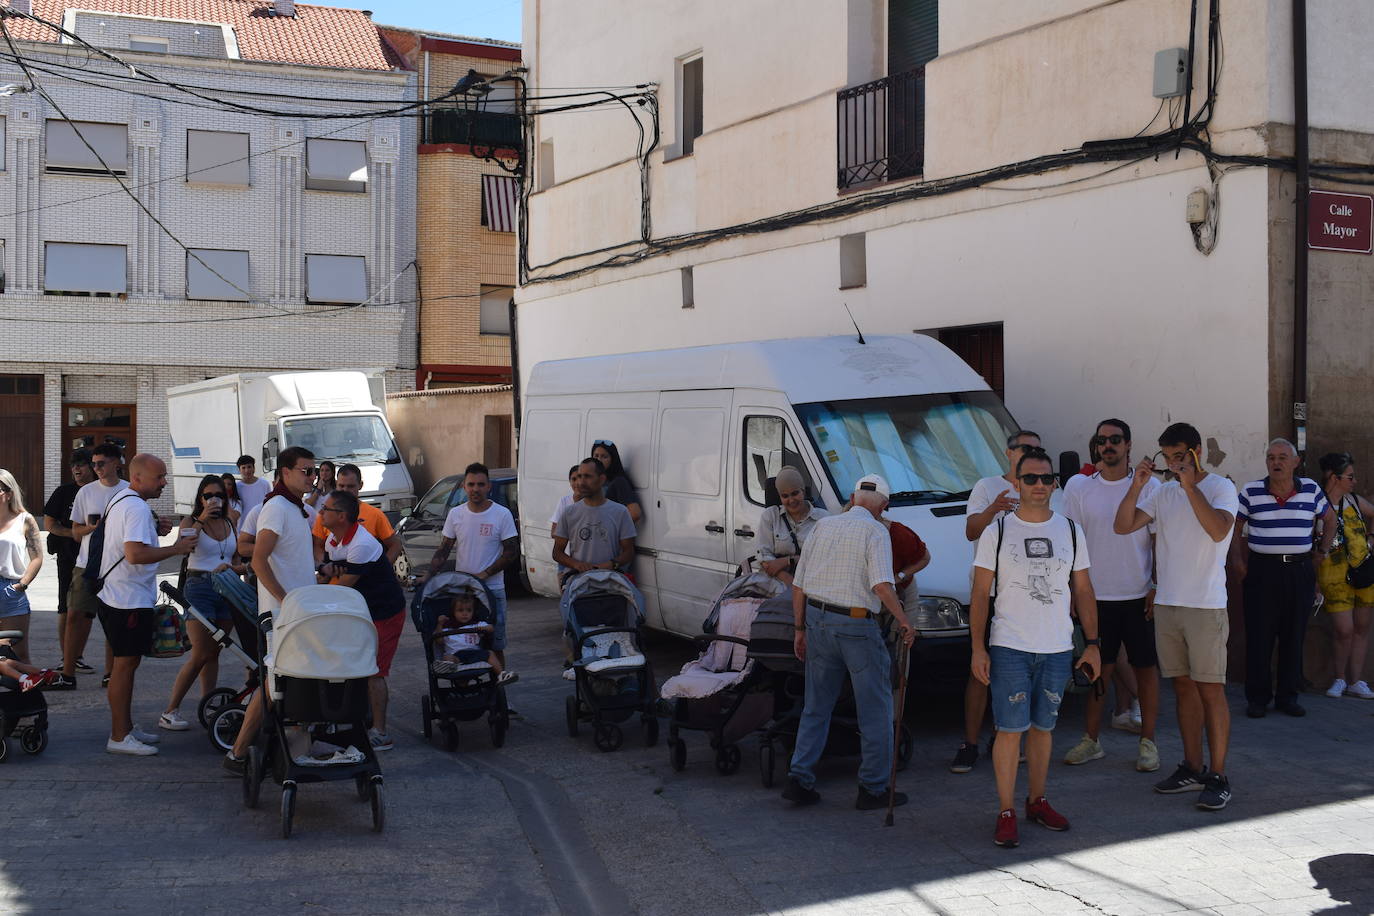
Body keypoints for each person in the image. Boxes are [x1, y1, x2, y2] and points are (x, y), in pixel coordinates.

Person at [970, 447, 1100, 848]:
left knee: (1044, 729)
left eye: (1047, 479)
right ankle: (1006, 810)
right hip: (1009, 645)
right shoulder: (998, 531)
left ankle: (1037, 801)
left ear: (1054, 484)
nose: (1040, 486)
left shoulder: (1071, 530)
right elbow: (979, 593)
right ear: (1016, 482)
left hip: (1058, 647)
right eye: (1031, 478)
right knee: (1010, 731)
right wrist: (978, 648)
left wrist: (1092, 645)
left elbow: (1084, 589)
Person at [1114, 422, 1238, 811]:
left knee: (1211, 690)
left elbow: (1219, 531)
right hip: (1169, 603)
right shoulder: (1162, 492)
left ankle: (1218, 776)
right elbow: (1122, 526)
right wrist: (1137, 485)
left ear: (1197, 451)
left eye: (1179, 456)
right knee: (1183, 688)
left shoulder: (1220, 487)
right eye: (1168, 457)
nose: (1172, 463)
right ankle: (1192, 767)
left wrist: (1190, 486)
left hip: (1206, 605)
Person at [781, 474, 915, 811]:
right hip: (855, 625)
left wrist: (800, 629)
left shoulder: (824, 526)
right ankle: (872, 788)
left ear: (853, 499)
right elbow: (882, 586)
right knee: (876, 710)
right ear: (883, 505)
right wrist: (903, 620)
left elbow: (799, 585)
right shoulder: (877, 530)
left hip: (817, 620)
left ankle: (799, 779)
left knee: (816, 705)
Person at [1061, 419, 1163, 773]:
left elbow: (1157, 541)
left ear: (1129, 444)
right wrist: (1071, 590)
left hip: (1138, 595)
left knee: (1146, 671)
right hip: (1094, 597)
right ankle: (1092, 741)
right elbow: (1070, 540)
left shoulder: (1152, 486)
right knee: (1096, 672)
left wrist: (1156, 585)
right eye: (1101, 440)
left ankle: (1148, 743)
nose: (1108, 445)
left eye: (1115, 439)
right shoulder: (1078, 487)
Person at [951, 429, 1044, 774]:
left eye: (1037, 449)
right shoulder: (987, 486)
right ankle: (970, 743)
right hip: (989, 594)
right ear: (1009, 452)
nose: (1032, 453)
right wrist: (995, 507)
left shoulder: (1043, 487)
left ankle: (1004, 738)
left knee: (1019, 673)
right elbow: (971, 531)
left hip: (1026, 596)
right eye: (1026, 448)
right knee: (980, 671)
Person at [225, 447, 319, 774]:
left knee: (289, 684)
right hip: (282, 616)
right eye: (306, 471)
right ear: (285, 472)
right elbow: (257, 559)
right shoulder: (277, 507)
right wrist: (286, 601)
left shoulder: (297, 508)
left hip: (297, 614)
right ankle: (238, 753)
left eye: (313, 471)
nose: (312, 476)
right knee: (273, 685)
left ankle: (291, 750)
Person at [95, 454, 196, 755]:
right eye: (159, 477)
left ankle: (125, 728)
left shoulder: (124, 499)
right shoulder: (136, 507)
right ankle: (118, 735)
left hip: (118, 595)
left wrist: (155, 530)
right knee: (123, 667)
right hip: (125, 599)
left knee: (127, 665)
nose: (165, 482)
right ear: (137, 478)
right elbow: (135, 555)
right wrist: (175, 548)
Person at [1232, 438, 1335, 718]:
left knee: (1294, 635)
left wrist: (1322, 551)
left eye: (1281, 457)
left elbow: (1331, 519)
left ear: (1295, 462)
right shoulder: (1251, 491)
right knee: (1259, 636)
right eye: (1270, 457)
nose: (1275, 462)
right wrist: (1237, 560)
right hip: (1262, 571)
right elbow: (1235, 526)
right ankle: (1257, 698)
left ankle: (1288, 697)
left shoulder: (1311, 489)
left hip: (1299, 571)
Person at [319, 490, 407, 751]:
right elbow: (326, 575)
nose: (321, 512)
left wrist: (316, 592)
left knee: (374, 672)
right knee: (353, 666)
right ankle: (353, 717)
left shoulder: (361, 545)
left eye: (326, 509)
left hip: (385, 612)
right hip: (363, 612)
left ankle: (381, 733)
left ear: (342, 516)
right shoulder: (332, 541)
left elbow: (341, 589)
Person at [158, 475, 246, 732]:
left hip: (227, 587)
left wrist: (235, 568)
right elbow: (183, 550)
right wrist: (202, 519)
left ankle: (209, 707)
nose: (214, 500)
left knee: (215, 651)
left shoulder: (231, 521)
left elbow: (237, 556)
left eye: (218, 495)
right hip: (199, 587)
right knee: (200, 653)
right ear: (200, 498)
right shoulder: (191, 521)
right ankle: (169, 710)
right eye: (208, 496)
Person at [427, 463, 519, 679]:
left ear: (488, 487)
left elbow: (511, 551)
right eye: (471, 484)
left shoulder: (501, 514)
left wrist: (485, 574)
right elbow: (444, 549)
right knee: (459, 640)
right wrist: (429, 577)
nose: (475, 489)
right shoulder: (456, 514)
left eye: (480, 484)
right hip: (462, 593)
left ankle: (501, 695)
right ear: (464, 487)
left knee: (495, 645)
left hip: (493, 591)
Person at [55, 442, 129, 689]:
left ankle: (110, 673)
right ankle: (67, 674)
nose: (95, 468)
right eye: (93, 464)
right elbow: (76, 531)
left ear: (117, 463)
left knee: (112, 620)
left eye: (101, 464)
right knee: (75, 615)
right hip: (87, 564)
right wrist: (93, 528)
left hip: (117, 566)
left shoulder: (129, 491)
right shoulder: (86, 492)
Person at [1314, 453, 1374, 699]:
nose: (1354, 481)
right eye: (1349, 476)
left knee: (1362, 626)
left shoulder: (1356, 501)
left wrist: (1371, 538)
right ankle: (1339, 678)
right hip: (1333, 575)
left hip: (1363, 572)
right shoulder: (1318, 504)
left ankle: (1356, 680)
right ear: (1334, 477)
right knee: (1344, 630)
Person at [43, 449, 95, 669]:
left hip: (96, 559)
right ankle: (67, 659)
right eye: (73, 465)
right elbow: (49, 524)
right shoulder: (64, 492)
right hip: (68, 557)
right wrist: (73, 533)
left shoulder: (101, 491)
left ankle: (77, 656)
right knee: (66, 609)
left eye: (81, 465)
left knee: (87, 611)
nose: (76, 469)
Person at [552, 458, 636, 584]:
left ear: (602, 479)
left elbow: (629, 551)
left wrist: (612, 564)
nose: (581, 482)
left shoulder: (620, 512)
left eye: (587, 476)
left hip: (610, 584)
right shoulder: (569, 513)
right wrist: (577, 565)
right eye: (579, 476)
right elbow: (557, 552)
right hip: (579, 586)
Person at [311, 463, 398, 569]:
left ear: (360, 485)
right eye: (341, 486)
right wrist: (324, 567)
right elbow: (317, 545)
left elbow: (395, 545)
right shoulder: (325, 514)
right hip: (334, 583)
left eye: (350, 486)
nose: (345, 490)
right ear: (336, 484)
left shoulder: (375, 514)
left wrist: (381, 570)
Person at [756, 466, 828, 586]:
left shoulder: (823, 519)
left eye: (795, 493)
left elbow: (824, 557)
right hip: (776, 583)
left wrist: (787, 561)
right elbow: (764, 558)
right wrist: (790, 582)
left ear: (803, 491)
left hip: (812, 584)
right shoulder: (770, 516)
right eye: (785, 496)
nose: (791, 500)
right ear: (779, 497)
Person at [0, 470, 44, 663]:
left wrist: (21, 585)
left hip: (11, 591)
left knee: (18, 654)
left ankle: (27, 692)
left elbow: (37, 558)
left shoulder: (24, 520)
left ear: (8, 493)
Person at [431, 588, 503, 676]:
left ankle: (501, 674)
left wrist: (485, 628)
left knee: (490, 653)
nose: (465, 614)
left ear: (473, 611)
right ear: (453, 612)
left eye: (469, 610)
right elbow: (439, 641)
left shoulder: (475, 624)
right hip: (456, 655)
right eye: (460, 610)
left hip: (474, 653)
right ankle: (447, 667)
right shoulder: (448, 627)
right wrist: (440, 624)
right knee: (447, 657)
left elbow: (491, 627)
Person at [590, 439, 643, 525]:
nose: (599, 460)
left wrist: (610, 525)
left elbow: (635, 514)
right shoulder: (592, 480)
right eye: (596, 456)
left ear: (612, 459)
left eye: (604, 456)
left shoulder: (619, 481)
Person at [549, 465, 581, 537]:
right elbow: (553, 532)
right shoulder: (564, 501)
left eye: (580, 478)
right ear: (570, 482)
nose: (577, 483)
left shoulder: (593, 502)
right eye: (574, 479)